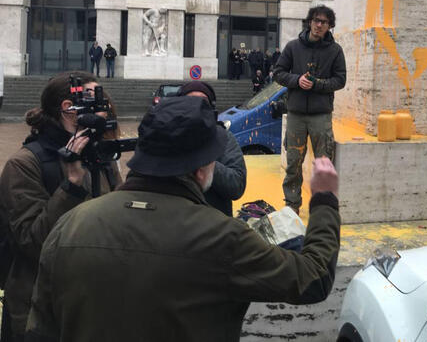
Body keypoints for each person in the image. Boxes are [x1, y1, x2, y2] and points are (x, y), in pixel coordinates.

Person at [25, 96, 341, 342]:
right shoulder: (222, 238)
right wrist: (324, 199)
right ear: (201, 169)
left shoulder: (69, 225)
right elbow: (313, 279)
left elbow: (39, 331)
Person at [0, 71, 121, 341]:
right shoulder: (24, 163)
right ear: (69, 108)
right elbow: (32, 241)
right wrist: (72, 186)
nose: (106, 110)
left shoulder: (101, 157)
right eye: (98, 103)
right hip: (41, 313)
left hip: (95, 303)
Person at [272, 5, 346, 214]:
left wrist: (317, 84)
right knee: (294, 161)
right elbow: (278, 72)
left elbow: (340, 80)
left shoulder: (335, 51)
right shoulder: (293, 47)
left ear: (329, 26)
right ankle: (292, 205)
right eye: (315, 20)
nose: (319, 25)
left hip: (321, 115)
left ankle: (322, 206)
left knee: (324, 162)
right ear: (309, 22)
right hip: (296, 114)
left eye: (324, 22)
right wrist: (297, 80)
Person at [176, 81, 246, 215]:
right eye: (190, 101)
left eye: (202, 102)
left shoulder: (224, 138)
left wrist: (206, 160)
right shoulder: (167, 136)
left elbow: (237, 186)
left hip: (215, 224)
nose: (196, 107)